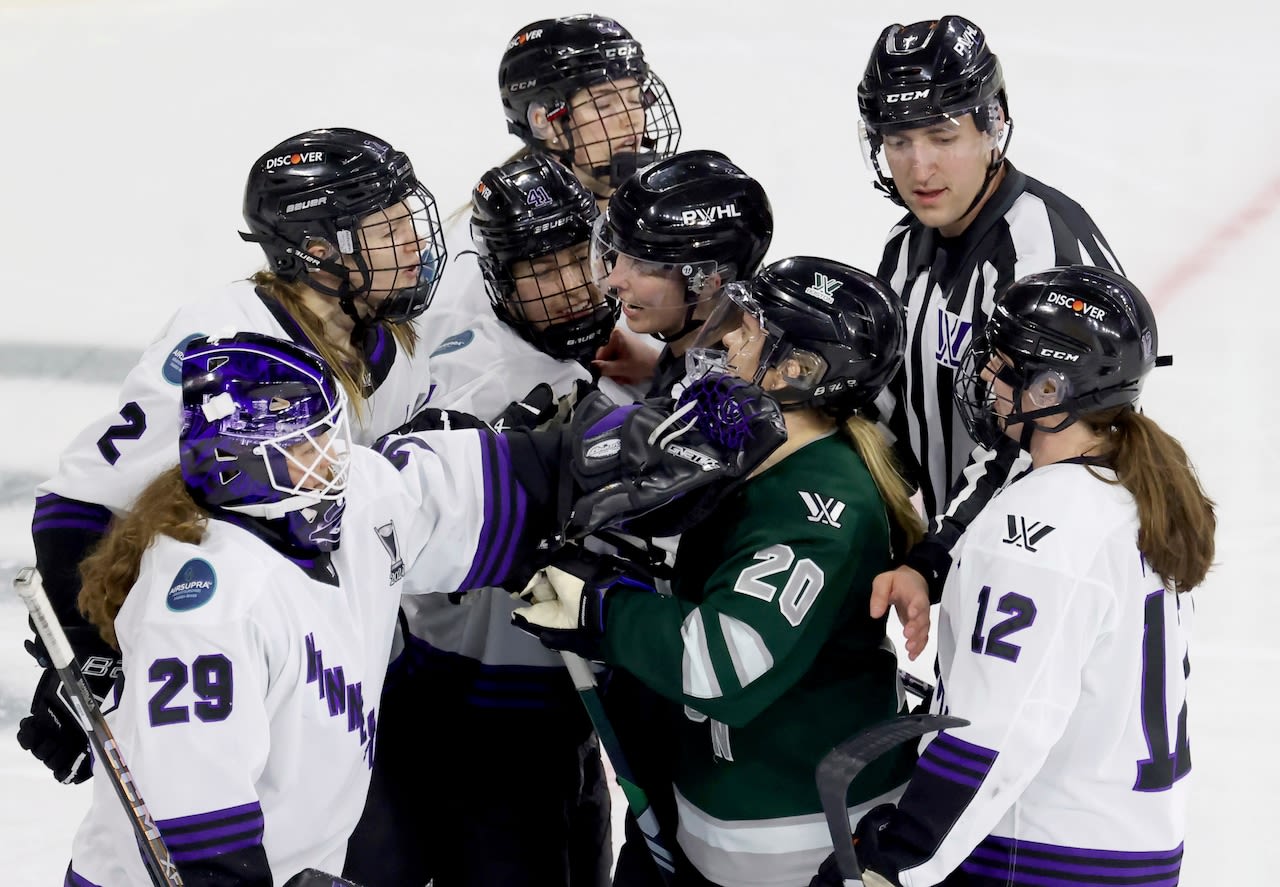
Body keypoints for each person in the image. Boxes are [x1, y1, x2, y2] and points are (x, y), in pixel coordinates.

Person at [63, 330, 785, 887]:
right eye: (305, 442)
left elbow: (510, 478)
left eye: (327, 430)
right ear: (239, 460)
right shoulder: (200, 605)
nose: (333, 454)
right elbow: (198, 824)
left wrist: (637, 444)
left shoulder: (346, 503)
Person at [18, 126, 452, 786]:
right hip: (234, 660)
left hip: (346, 662)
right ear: (315, 251)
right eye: (387, 232)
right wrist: (84, 651)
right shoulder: (222, 347)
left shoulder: (392, 337)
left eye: (407, 223)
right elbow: (79, 499)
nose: (415, 246)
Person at [514, 256, 925, 887]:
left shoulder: (821, 503)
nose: (729, 337)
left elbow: (725, 662)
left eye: (752, 331)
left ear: (800, 371)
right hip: (728, 809)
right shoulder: (747, 451)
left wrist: (602, 612)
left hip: (797, 835)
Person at [811, 265, 1214, 886]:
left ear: (1051, 390)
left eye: (1003, 366)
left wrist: (897, 862)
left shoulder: (1041, 523)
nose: (987, 379)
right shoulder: (1128, 490)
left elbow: (999, 728)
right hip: (1125, 845)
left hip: (1039, 858)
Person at [342, 155, 630, 887]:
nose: (568, 285)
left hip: (541, 710)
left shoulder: (638, 362)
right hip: (413, 693)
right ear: (496, 274)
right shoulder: (428, 354)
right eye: (540, 268)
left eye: (579, 258)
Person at [853, 16, 1124, 652]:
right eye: (898, 140)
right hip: (980, 558)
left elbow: (1036, 437)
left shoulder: (1039, 254)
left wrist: (933, 558)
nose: (918, 167)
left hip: (1053, 576)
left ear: (991, 127)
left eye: (942, 136)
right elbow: (883, 417)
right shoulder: (903, 248)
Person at [421, 12, 682, 353]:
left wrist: (658, 370)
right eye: (603, 104)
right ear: (544, 121)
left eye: (635, 98)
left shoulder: (660, 212)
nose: (631, 120)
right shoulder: (483, 246)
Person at [590, 149, 775, 397]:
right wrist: (658, 367)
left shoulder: (716, 404)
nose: (614, 280)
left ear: (706, 282)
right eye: (618, 256)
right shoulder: (703, 356)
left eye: (643, 266)